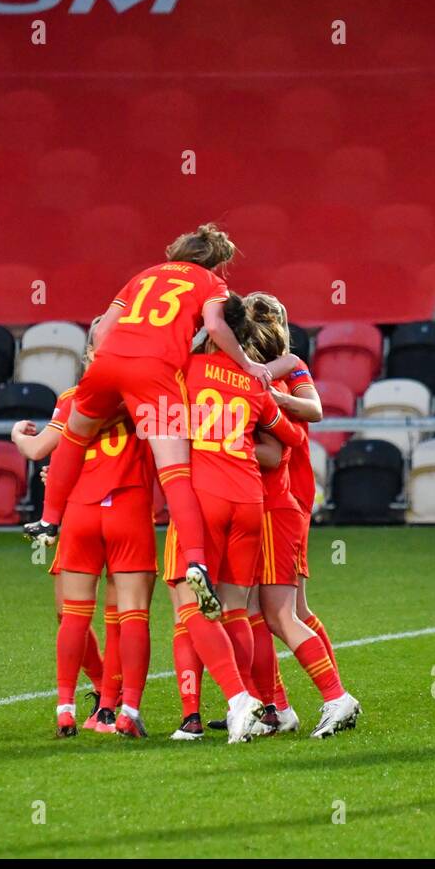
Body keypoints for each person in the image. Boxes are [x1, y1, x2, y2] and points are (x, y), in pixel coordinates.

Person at [23, 224, 272, 623]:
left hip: (107, 364)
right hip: (155, 374)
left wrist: (111, 376)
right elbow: (214, 326)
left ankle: (49, 519)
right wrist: (247, 363)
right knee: (175, 473)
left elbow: (103, 329)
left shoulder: (143, 276)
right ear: (216, 263)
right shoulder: (210, 284)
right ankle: (196, 563)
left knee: (75, 433)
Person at [163, 294, 302, 743]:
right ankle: (263, 705)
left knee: (190, 608)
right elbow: (288, 439)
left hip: (203, 499)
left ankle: (226, 705)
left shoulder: (189, 369)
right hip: (249, 501)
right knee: (237, 608)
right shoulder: (251, 381)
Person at [12, 318, 156, 738]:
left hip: (80, 511)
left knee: (73, 614)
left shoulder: (74, 398)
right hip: (128, 508)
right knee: (128, 615)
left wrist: (18, 437)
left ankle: (69, 708)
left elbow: (39, 449)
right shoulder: (144, 396)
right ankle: (122, 707)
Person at [244, 294, 358, 739]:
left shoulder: (288, 370)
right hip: (265, 498)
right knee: (277, 609)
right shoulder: (267, 369)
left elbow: (312, 411)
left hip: (284, 495)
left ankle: (329, 696)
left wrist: (268, 396)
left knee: (276, 611)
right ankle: (276, 705)